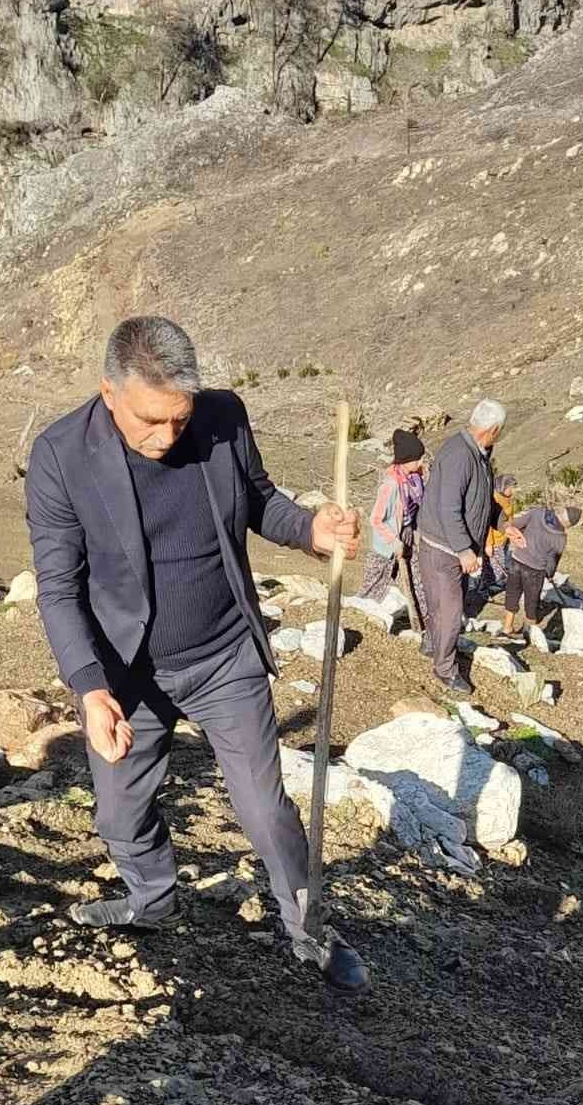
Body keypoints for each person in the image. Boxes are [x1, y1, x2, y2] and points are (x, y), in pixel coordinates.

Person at [25, 314, 368, 993]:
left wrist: (311, 531)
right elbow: (58, 589)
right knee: (119, 815)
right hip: (127, 673)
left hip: (223, 656)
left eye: (178, 419)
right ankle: (152, 899)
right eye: (150, 421)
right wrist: (90, 689)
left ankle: (308, 929)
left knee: (266, 811)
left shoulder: (222, 417)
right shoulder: (62, 455)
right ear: (109, 392)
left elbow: (258, 502)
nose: (167, 436)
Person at [417, 399, 509, 697]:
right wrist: (464, 550)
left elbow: (482, 500)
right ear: (493, 430)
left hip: (451, 546)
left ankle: (432, 644)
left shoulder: (479, 454)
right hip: (443, 548)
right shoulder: (460, 455)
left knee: (440, 604)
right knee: (450, 610)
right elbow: (449, 508)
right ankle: (445, 668)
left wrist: (505, 525)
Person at [356, 430, 426, 617]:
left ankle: (424, 619)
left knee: (416, 579)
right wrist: (394, 542)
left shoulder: (414, 480)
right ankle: (359, 616)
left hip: (407, 535)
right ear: (406, 459)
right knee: (374, 585)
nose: (421, 462)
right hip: (386, 544)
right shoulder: (391, 485)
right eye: (417, 459)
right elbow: (375, 519)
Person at [502, 502, 581, 637]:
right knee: (532, 602)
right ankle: (530, 634)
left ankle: (507, 627)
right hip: (535, 571)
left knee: (512, 594)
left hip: (517, 561)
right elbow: (552, 561)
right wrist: (550, 574)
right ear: (568, 524)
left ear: (561, 512)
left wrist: (521, 535)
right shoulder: (560, 538)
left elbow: (515, 524)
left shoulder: (538, 512)